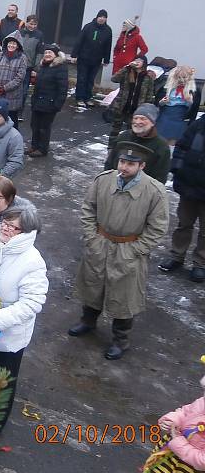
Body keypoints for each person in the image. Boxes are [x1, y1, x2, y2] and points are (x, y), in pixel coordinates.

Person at [69, 142, 169, 360]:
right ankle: (88, 321)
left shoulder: (155, 192)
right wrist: (92, 238)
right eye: (122, 161)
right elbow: (88, 209)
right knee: (92, 284)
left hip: (128, 249)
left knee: (125, 296)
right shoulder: (103, 180)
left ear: (141, 166)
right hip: (100, 242)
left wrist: (136, 250)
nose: (124, 167)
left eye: (131, 164)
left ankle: (121, 340)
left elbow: (158, 227)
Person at [0, 204, 48, 435]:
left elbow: (32, 303)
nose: (6, 228)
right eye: (5, 222)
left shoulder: (32, 261)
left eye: (14, 227)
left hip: (6, 335)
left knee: (0, 382)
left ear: (26, 232)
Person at [145, 365, 205, 473]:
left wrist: (177, 441)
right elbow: (186, 411)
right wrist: (172, 419)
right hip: (174, 455)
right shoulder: (203, 402)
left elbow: (202, 461)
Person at [160, 114, 205, 283]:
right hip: (190, 187)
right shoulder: (199, 125)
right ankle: (177, 256)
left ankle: (200, 264)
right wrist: (178, 170)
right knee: (184, 224)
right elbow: (181, 147)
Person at [104, 104, 171, 183]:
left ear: (153, 123)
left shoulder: (161, 146)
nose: (138, 122)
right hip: (115, 185)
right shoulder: (123, 137)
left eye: (143, 119)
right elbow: (110, 163)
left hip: (142, 190)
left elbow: (160, 176)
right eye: (135, 118)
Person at [27, 44, 68, 157]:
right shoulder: (43, 66)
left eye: (50, 53)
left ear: (56, 55)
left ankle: (42, 149)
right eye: (46, 53)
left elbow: (63, 89)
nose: (47, 55)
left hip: (50, 104)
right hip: (38, 102)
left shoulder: (60, 68)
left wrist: (57, 105)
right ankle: (34, 146)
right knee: (34, 125)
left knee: (44, 127)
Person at [108, 55, 155, 148]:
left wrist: (147, 109)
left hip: (137, 109)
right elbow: (114, 79)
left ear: (144, 63)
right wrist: (126, 67)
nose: (137, 62)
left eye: (140, 60)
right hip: (122, 105)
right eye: (136, 60)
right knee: (115, 128)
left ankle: (128, 148)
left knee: (133, 130)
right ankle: (111, 148)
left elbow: (149, 95)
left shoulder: (147, 77)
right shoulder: (127, 72)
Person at [71, 9, 113, 108]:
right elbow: (79, 41)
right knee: (82, 78)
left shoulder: (108, 30)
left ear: (106, 19)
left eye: (104, 17)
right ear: (97, 17)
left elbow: (108, 46)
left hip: (96, 60)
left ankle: (88, 97)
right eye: (100, 16)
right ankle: (80, 98)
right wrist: (74, 55)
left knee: (91, 80)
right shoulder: (88, 27)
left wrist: (106, 59)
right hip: (84, 58)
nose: (102, 19)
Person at [0, 34, 28, 129]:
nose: (11, 45)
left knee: (11, 121)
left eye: (14, 43)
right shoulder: (0, 55)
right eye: (10, 43)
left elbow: (20, 78)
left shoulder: (22, 58)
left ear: (18, 45)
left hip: (12, 95)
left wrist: (5, 88)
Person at [157, 65, 198, 145]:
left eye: (184, 77)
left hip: (180, 118)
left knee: (174, 141)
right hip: (165, 116)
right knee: (160, 140)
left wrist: (190, 101)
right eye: (179, 77)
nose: (181, 80)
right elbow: (158, 104)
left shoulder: (193, 91)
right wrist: (162, 102)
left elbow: (194, 110)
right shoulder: (166, 89)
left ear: (189, 78)